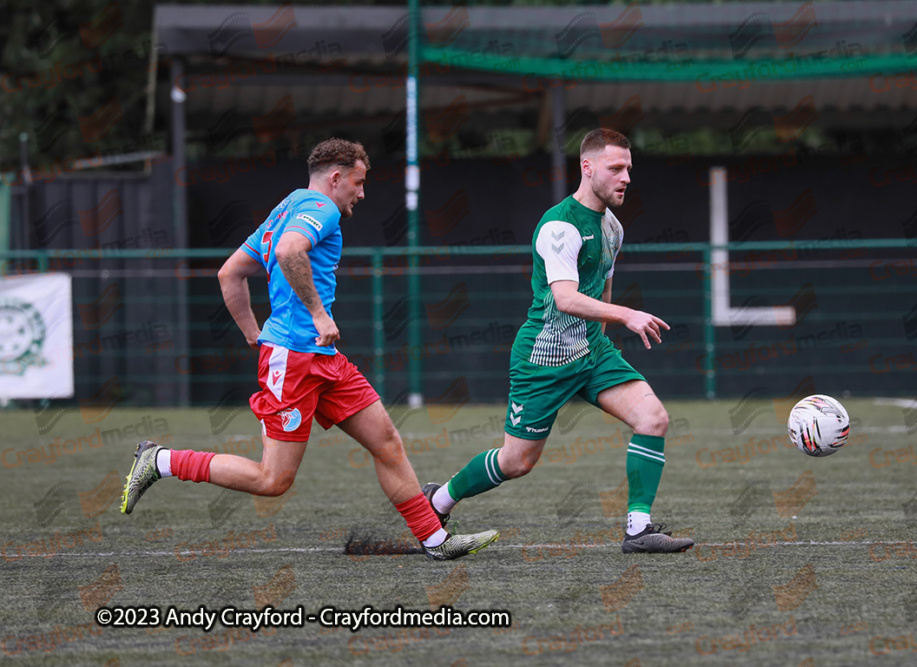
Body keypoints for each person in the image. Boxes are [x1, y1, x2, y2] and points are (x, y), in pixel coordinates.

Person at [120, 137, 498, 561]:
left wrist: (252, 334)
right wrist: (318, 316)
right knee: (272, 480)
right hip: (296, 360)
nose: (362, 192)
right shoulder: (321, 210)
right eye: (358, 182)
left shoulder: (286, 208)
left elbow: (230, 273)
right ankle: (162, 460)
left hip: (320, 359)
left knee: (387, 441)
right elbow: (287, 251)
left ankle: (435, 541)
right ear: (335, 178)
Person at [423, 129, 694, 554]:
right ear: (587, 168)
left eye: (629, 169)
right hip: (544, 358)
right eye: (616, 168)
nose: (626, 178)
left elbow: (601, 290)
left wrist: (601, 344)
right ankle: (438, 501)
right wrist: (628, 314)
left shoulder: (613, 229)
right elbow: (566, 299)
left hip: (591, 351)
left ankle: (638, 530)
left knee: (653, 419)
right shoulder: (559, 226)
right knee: (517, 462)